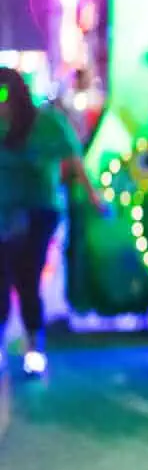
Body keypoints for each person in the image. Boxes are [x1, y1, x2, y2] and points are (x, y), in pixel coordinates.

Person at [0, 67, 102, 375]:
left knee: (28, 276)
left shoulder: (47, 122)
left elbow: (74, 160)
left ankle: (33, 343)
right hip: (3, 213)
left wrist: (94, 198)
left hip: (38, 211)